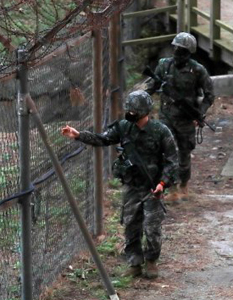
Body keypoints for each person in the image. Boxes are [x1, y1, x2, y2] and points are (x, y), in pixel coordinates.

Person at [61, 90, 178, 279]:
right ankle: (134, 263)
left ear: (145, 111)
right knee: (131, 225)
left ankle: (151, 261)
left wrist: (163, 183)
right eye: (130, 110)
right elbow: (103, 139)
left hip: (153, 188)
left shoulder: (160, 131)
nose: (131, 114)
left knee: (152, 228)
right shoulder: (124, 128)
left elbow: (173, 160)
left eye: (135, 111)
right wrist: (78, 135)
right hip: (132, 186)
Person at [145, 32, 215, 201]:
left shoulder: (197, 70)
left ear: (189, 53)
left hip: (185, 119)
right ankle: (171, 187)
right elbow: (152, 87)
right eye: (176, 48)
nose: (177, 52)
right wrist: (142, 102)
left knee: (184, 153)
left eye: (182, 50)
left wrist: (200, 112)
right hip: (166, 116)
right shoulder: (163, 65)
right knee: (166, 152)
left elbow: (209, 94)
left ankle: (183, 184)